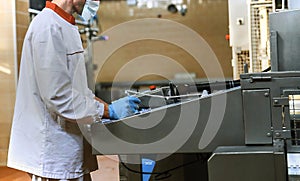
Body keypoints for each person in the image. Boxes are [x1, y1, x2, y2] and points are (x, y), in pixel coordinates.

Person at [7, 0, 141, 180]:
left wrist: (108, 107)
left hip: (68, 148)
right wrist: (109, 111)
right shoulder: (48, 27)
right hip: (53, 150)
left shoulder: (66, 25)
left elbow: (77, 91)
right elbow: (58, 97)